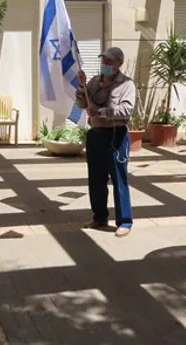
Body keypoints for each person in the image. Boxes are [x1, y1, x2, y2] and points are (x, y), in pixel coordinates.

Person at [76, 47, 136, 237]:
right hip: (95, 135)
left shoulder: (126, 85)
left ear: (119, 63)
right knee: (96, 179)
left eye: (109, 62)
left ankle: (124, 221)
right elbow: (82, 104)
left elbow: (126, 110)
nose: (105, 65)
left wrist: (101, 112)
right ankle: (99, 217)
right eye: (104, 61)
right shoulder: (94, 81)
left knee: (119, 179)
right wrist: (81, 87)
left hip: (115, 136)